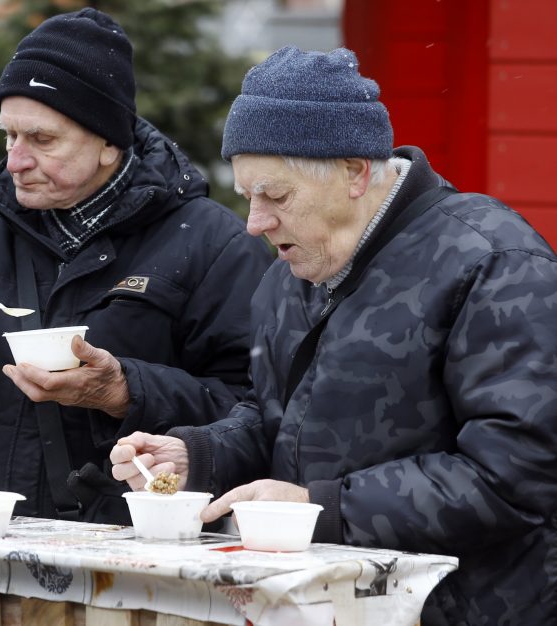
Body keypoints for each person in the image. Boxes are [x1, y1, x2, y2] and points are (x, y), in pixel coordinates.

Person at [111, 46, 557, 624]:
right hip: (319, 605)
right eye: (248, 195)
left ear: (354, 172)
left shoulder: (492, 259)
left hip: (467, 608)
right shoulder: (288, 273)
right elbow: (276, 419)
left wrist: (316, 507)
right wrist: (198, 455)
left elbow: (517, 474)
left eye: (277, 194)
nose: (256, 222)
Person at [0, 8, 272, 523]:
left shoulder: (213, 244)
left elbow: (257, 413)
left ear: (108, 143)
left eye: (42, 139)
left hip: (133, 563)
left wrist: (126, 391)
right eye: (9, 135)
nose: (15, 160)